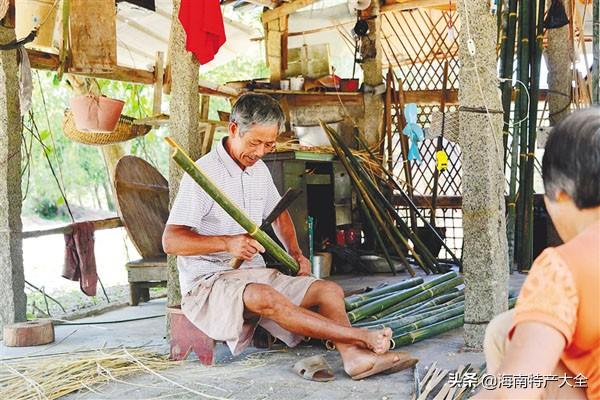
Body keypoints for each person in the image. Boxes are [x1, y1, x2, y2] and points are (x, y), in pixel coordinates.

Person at [163, 93, 416, 379]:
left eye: (269, 144)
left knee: (328, 290)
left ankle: (354, 358)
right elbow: (171, 241)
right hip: (210, 283)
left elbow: (280, 213)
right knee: (265, 296)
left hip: (252, 274)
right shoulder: (203, 173)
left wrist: (296, 254)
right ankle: (360, 337)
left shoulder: (258, 170)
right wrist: (227, 243)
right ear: (234, 130)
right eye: (254, 143)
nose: (260, 152)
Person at [476, 107, 600, 399]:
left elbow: (514, 390)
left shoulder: (562, 268)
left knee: (512, 342)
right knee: (504, 328)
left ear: (559, 195)